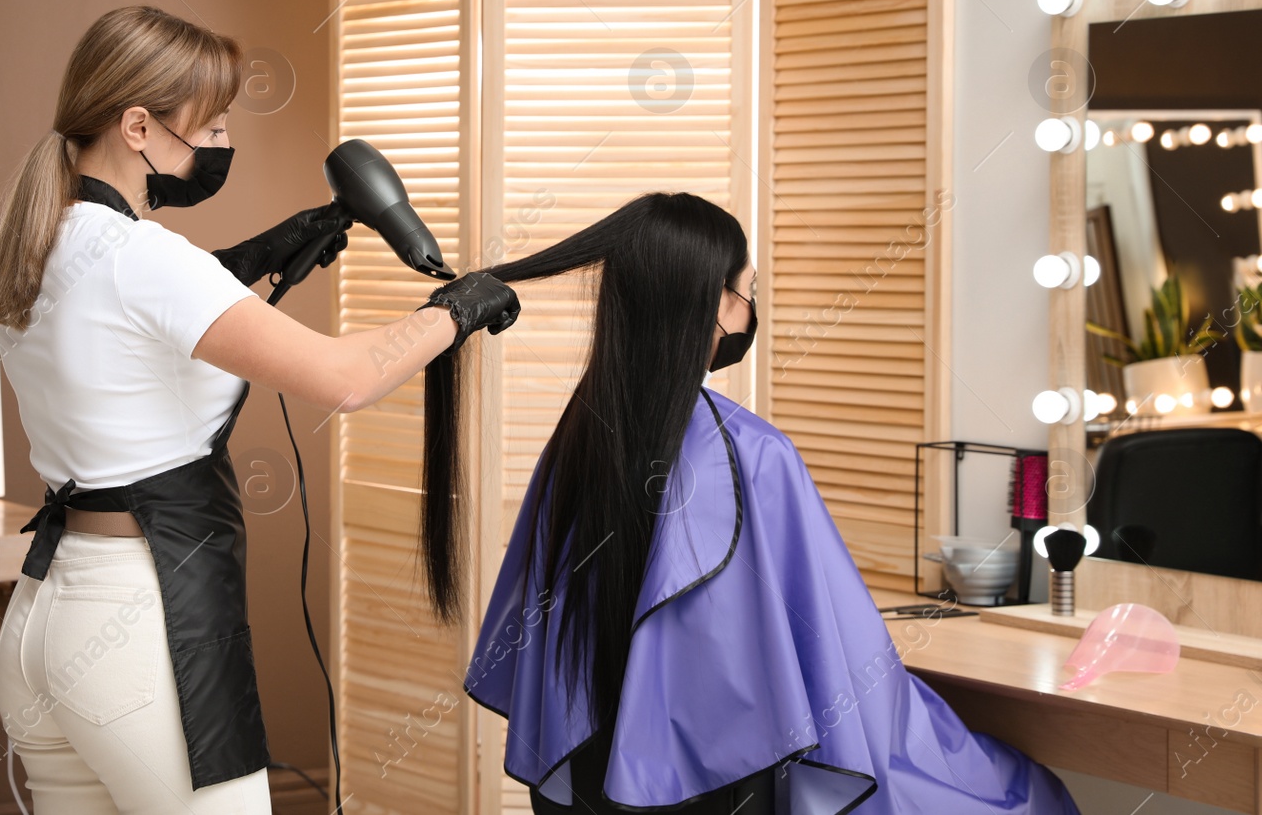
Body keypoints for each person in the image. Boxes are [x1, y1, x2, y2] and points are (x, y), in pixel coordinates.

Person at [0, 5, 519, 814]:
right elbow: (346, 375)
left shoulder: (41, 239)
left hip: (43, 621)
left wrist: (266, 251)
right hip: (137, 625)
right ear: (138, 125)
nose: (225, 143)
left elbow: (130, 332)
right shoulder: (146, 257)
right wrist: (456, 309)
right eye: (212, 124)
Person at [421, 192, 1080, 814]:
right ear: (715, 304)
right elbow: (850, 673)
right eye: (749, 290)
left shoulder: (577, 440)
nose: (751, 308)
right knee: (1027, 790)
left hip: (598, 784)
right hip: (728, 790)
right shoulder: (754, 453)